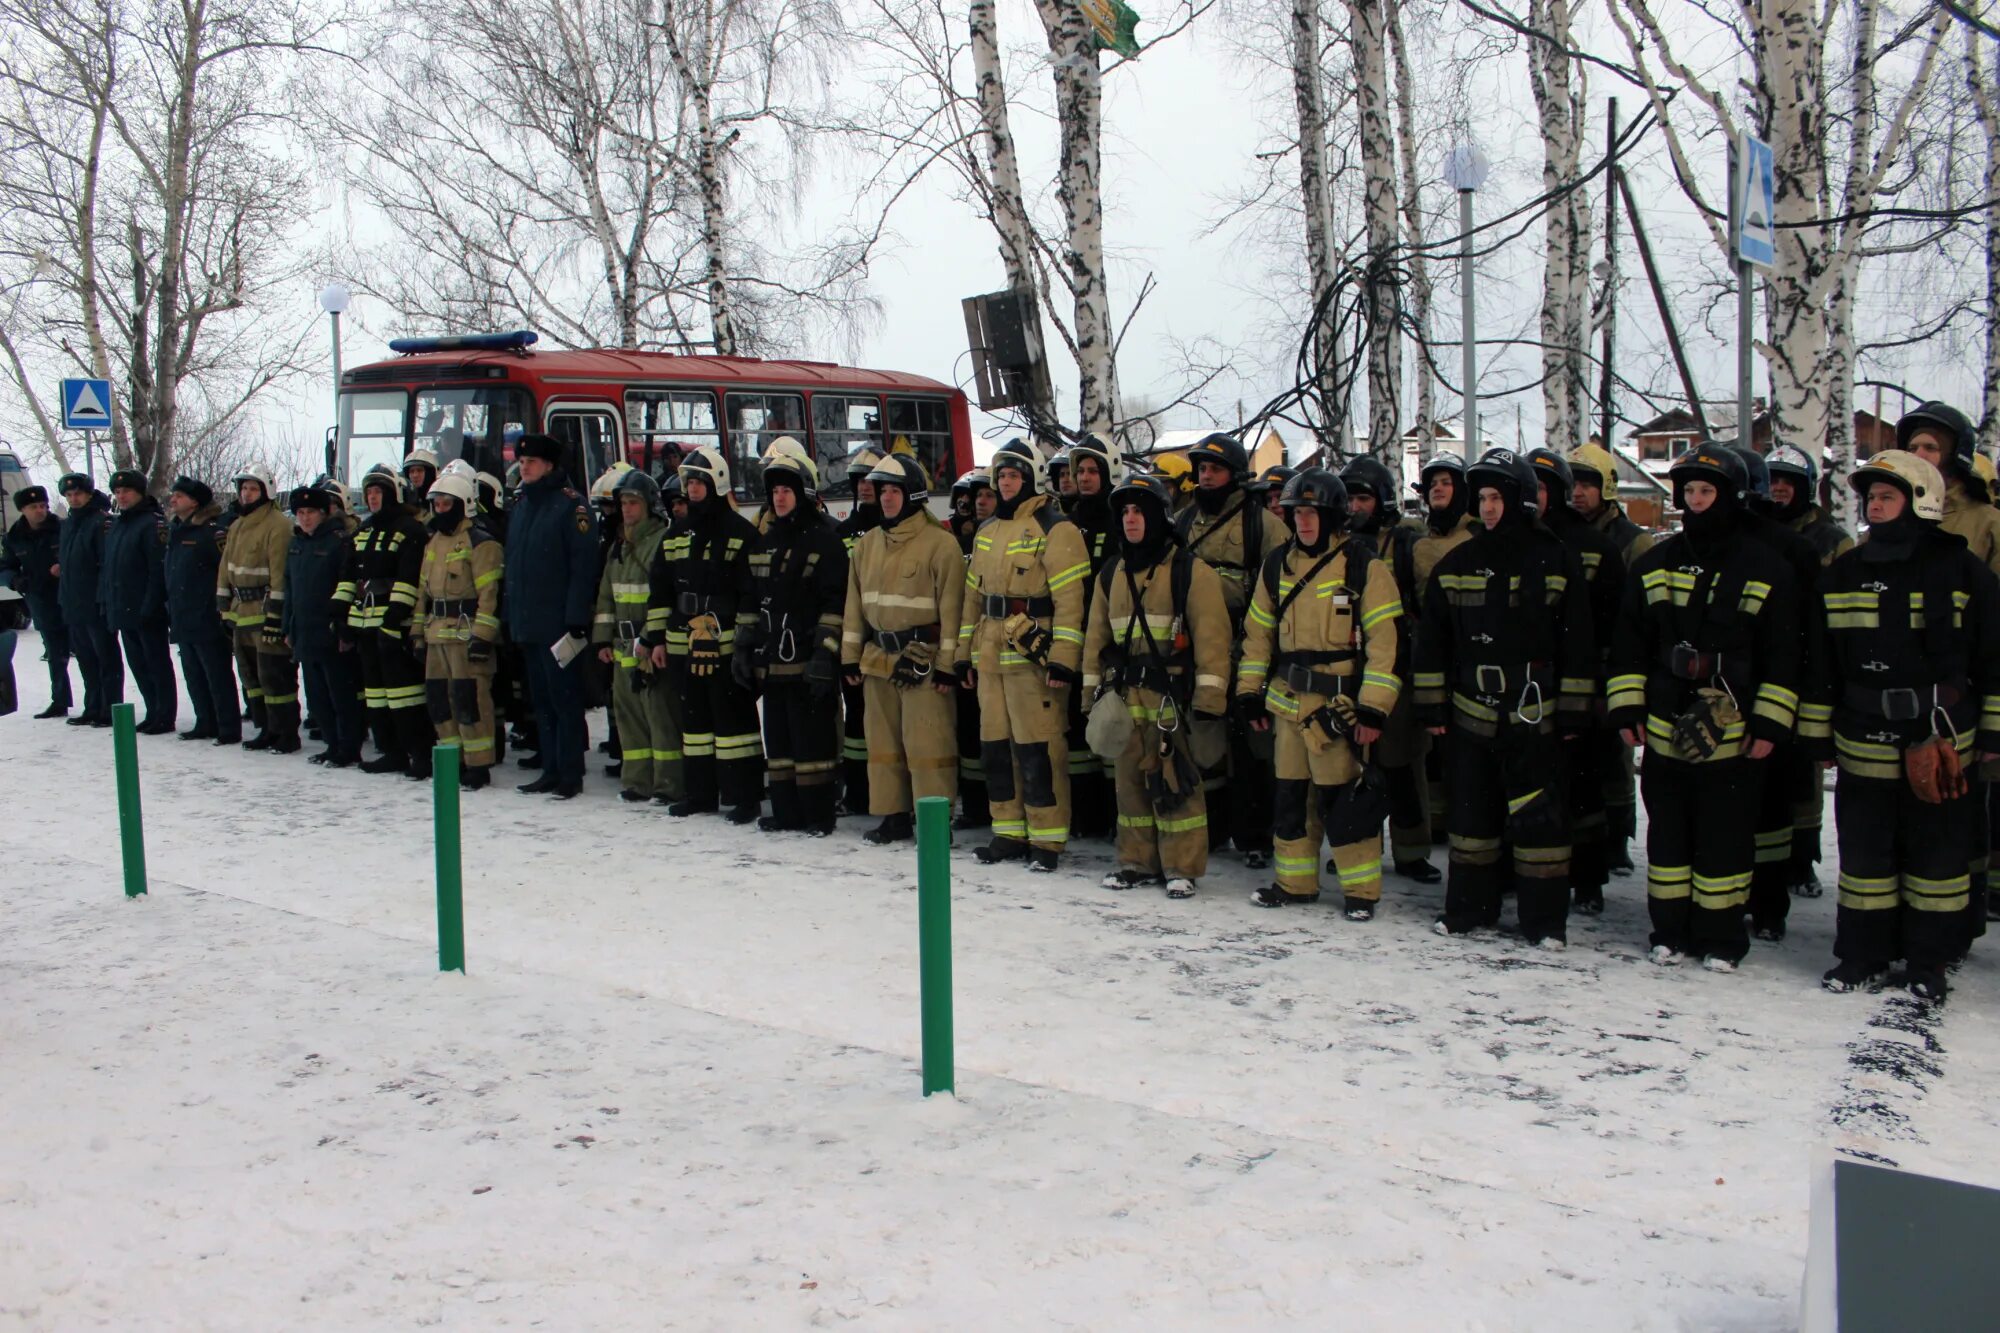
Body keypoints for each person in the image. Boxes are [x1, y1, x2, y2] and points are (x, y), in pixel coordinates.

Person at [1801, 450, 2000, 1004]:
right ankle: (1861, 955)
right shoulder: (1845, 571)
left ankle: (1927, 963)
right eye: (1871, 497)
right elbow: (1820, 662)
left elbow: (1994, 659)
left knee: (1936, 862)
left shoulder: (1963, 572)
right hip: (1862, 735)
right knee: (1866, 859)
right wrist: (1816, 732)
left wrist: (1992, 738)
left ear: (1920, 500)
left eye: (1887, 496)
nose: (1876, 506)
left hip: (1941, 737)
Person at [1608, 444, 1800, 972]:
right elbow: (1630, 642)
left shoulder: (1767, 569)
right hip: (1667, 719)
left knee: (1725, 838)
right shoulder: (1657, 563)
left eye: (1706, 491)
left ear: (1732, 497)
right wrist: (1627, 709)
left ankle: (1720, 937)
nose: (1695, 500)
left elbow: (1783, 655)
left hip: (1734, 727)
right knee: (1667, 835)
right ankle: (1668, 931)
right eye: (1688, 490)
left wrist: (1769, 723)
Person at [1414, 449, 1595, 944]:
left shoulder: (1555, 559)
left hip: (1535, 713)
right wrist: (1431, 706)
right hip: (1471, 711)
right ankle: (1469, 909)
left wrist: (1577, 712)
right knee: (1471, 819)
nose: (1490, 508)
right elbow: (1432, 641)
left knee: (1540, 823)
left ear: (1520, 499)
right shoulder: (1457, 564)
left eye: (1498, 497)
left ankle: (1543, 922)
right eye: (1484, 498)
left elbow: (1577, 642)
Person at [1236, 467, 1403, 915]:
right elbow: (1257, 637)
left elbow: (1385, 646)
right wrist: (1248, 693)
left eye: (1311, 513)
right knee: (1290, 799)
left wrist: (1373, 711)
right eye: (1296, 513)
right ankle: (1294, 884)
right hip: (1288, 703)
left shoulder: (1364, 566)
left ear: (1332, 515)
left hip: (1339, 709)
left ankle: (1361, 894)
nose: (1303, 522)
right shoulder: (1277, 565)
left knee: (1343, 802)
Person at [1084, 471, 1231, 897]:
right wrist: (1088, 698)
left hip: (1172, 698)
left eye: (1139, 511)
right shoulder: (1111, 574)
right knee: (1128, 785)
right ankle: (1136, 861)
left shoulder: (1191, 572)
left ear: (1158, 516)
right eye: (1125, 512)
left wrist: (1209, 699)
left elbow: (1213, 640)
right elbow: (1095, 640)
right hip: (1125, 698)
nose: (1131, 520)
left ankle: (1181, 867)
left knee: (1176, 783)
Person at [955, 437, 1091, 871]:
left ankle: (1047, 840)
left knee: (1039, 749)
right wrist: (963, 654)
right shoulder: (988, 530)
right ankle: (1008, 832)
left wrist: (1064, 660)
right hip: (991, 656)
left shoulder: (1058, 529)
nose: (1007, 483)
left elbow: (1071, 603)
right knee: (995, 748)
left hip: (1034, 658)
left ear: (1031, 478)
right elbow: (971, 600)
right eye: (1002, 476)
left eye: (1014, 475)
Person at [1175, 432, 1291, 871]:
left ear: (1236, 475)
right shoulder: (1183, 521)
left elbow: (1280, 590)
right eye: (1202, 468)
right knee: (1204, 739)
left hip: (1246, 648)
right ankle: (1213, 827)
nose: (1206, 476)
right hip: (1197, 648)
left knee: (1253, 744)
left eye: (1215, 469)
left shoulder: (1262, 524)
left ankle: (1256, 835)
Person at [1729, 444, 1828, 944]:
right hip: (1725, 694)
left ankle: (1768, 902)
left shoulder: (1796, 550)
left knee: (1771, 809)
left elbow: (1809, 633)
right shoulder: (1708, 543)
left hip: (1773, 691)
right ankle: (1741, 899)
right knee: (1733, 808)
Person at [841, 453, 964, 844]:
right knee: (884, 746)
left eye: (894, 491)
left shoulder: (941, 545)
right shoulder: (867, 546)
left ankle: (933, 821)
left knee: (928, 745)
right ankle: (892, 815)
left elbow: (954, 612)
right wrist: (849, 657)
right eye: (882, 491)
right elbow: (853, 608)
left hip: (923, 661)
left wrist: (948, 665)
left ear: (912, 494)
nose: (887, 499)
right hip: (878, 660)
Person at [1527, 448, 1625, 916]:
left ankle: (1589, 879)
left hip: (1584, 686)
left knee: (1585, 788)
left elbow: (1613, 628)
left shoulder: (1595, 548)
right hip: (1528, 688)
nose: (1538, 497)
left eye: (1546, 489)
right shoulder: (1515, 542)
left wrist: (1602, 690)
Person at [642, 444, 762, 820]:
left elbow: (750, 591)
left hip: (725, 644)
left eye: (700, 482)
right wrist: (655, 638)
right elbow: (660, 590)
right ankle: (701, 794)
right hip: (682, 645)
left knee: (733, 725)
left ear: (717, 483)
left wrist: (744, 642)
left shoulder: (741, 533)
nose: (693, 490)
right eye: (689, 482)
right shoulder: (676, 534)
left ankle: (743, 797)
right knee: (693, 725)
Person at [1341, 454, 1439, 885]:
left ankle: (1412, 850)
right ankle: (1356, 844)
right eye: (1348, 499)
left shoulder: (1407, 541)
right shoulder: (1335, 544)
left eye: (1362, 498)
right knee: (1349, 767)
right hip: (1347, 667)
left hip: (1398, 669)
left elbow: (1429, 606)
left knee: (1402, 765)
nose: (1354, 507)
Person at [1763, 443, 1853, 902]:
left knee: (1805, 770)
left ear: (1806, 487)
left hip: (1811, 661)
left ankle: (1803, 860)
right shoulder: (1755, 531)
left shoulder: (1831, 540)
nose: (1779, 488)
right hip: (1765, 663)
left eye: (1789, 481)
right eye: (1773, 479)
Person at [742, 444, 848, 835]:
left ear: (803, 492)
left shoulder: (825, 541)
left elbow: (835, 603)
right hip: (773, 661)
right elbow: (751, 598)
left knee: (812, 745)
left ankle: (818, 815)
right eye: (774, 491)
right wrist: (744, 648)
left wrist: (825, 655)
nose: (779, 497)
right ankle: (786, 812)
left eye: (786, 490)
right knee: (780, 743)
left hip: (807, 662)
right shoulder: (766, 541)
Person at [1569, 438, 1655, 874]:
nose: (1578, 492)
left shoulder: (1634, 543)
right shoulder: (1562, 534)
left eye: (1587, 483)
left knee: (1616, 755)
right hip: (1576, 662)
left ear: (1607, 487)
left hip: (1616, 661)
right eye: (1573, 483)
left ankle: (1618, 837)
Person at [505, 434, 599, 797]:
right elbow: (513, 565)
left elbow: (582, 566)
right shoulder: (524, 505)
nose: (524, 466)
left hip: (559, 625)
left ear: (549, 465)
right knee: (540, 702)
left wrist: (576, 616)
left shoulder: (571, 507)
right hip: (529, 622)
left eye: (531, 461)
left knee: (564, 700)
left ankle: (570, 773)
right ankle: (551, 767)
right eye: (522, 461)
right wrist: (509, 614)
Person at [333, 465, 432, 777]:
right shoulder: (362, 533)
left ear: (393, 494)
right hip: (365, 627)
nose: (373, 498)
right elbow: (348, 578)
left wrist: (393, 623)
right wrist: (340, 615)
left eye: (378, 492)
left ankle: (420, 754)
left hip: (395, 628)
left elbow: (408, 582)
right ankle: (391, 751)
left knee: (405, 694)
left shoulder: (410, 531)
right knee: (375, 694)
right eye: (370, 493)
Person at [594, 469, 682, 805]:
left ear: (649, 506)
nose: (627, 510)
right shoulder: (620, 545)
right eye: (623, 503)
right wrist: (602, 639)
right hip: (622, 647)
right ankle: (637, 781)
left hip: (648, 645)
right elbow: (606, 595)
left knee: (660, 719)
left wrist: (651, 637)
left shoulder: (660, 542)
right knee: (629, 718)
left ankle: (668, 784)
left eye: (633, 503)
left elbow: (665, 597)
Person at [412, 470, 505, 790]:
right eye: (435, 503)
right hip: (436, 635)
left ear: (462, 504)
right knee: (440, 701)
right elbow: (421, 591)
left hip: (466, 638)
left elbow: (490, 596)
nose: (439, 509)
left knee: (471, 702)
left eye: (445, 503)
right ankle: (452, 759)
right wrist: (416, 632)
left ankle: (478, 765)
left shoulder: (481, 543)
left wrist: (482, 637)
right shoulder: (434, 541)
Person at [1060, 436, 1120, 840]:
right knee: (1075, 731)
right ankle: (1086, 816)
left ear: (1109, 472)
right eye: (1079, 471)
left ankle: (1119, 814)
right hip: (1071, 636)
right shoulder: (1065, 521)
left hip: (1110, 638)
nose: (1083, 478)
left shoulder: (1120, 518)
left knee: (1112, 726)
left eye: (1091, 470)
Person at [217, 467, 300, 751]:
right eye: (243, 488)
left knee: (275, 675)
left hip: (265, 612)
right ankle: (265, 727)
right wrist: (225, 608)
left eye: (253, 488)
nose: (246, 493)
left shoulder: (278, 525)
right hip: (242, 612)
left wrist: (276, 618)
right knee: (251, 677)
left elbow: (280, 575)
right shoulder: (237, 525)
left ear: (266, 490)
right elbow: (225, 569)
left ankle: (286, 732)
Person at [282, 484, 365, 767]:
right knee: (317, 697)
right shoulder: (296, 545)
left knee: (340, 695)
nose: (305, 518)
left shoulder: (339, 542)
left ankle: (348, 747)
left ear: (323, 513)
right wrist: (287, 628)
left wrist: (344, 628)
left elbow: (347, 587)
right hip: (305, 631)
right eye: (300, 513)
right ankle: (332, 745)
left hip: (330, 631)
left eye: (311, 513)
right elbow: (290, 590)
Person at [99, 469, 176, 734]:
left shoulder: (151, 523)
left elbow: (157, 570)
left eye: (127, 491)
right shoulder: (119, 524)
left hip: (146, 609)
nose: (121, 496)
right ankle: (153, 710)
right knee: (139, 665)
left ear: (140, 492)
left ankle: (165, 714)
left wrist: (150, 605)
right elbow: (110, 568)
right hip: (123, 607)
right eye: (117, 492)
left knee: (156, 664)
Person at [834, 445, 887, 816]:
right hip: (854, 640)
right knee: (856, 721)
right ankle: (857, 792)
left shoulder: (893, 531)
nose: (864, 487)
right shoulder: (843, 533)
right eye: (859, 481)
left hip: (886, 641)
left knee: (886, 721)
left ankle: (887, 795)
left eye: (871, 480)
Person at [0, 484, 74, 717]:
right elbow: (5, 567)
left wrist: (65, 567)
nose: (40, 510)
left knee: (86, 651)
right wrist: (16, 581)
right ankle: (60, 700)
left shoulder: (62, 529)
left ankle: (100, 703)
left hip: (70, 597)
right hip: (40, 600)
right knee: (55, 654)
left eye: (43, 505)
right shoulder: (15, 537)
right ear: (23, 510)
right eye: (34, 507)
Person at [55, 473, 121, 726]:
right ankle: (93, 706)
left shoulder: (100, 522)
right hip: (73, 602)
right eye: (69, 495)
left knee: (105, 658)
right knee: (86, 659)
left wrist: (102, 599)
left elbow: (105, 565)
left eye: (78, 494)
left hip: (94, 603)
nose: (73, 499)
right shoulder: (70, 523)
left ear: (89, 494)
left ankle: (110, 708)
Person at [949, 466, 994, 831]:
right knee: (968, 733)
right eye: (976, 495)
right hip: (967, 650)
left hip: (997, 651)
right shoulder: (961, 541)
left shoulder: (1001, 539)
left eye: (988, 494)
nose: (980, 501)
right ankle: (975, 807)